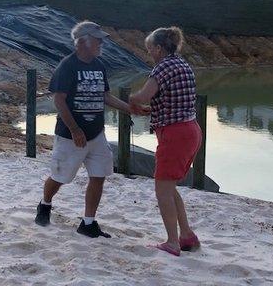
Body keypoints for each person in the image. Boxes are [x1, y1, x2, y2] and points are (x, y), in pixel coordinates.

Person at [35, 21, 148, 238]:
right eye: (97, 39)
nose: (101, 43)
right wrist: (75, 129)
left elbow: (105, 96)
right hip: (71, 135)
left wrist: (130, 109)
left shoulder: (99, 65)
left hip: (97, 133)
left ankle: (88, 223)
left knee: (99, 175)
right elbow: (59, 100)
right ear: (83, 41)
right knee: (60, 177)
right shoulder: (67, 66)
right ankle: (45, 204)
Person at [129, 26, 202, 256]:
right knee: (169, 187)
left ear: (159, 48)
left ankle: (172, 242)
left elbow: (142, 95)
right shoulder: (182, 64)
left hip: (175, 134)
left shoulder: (162, 68)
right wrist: (153, 109)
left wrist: (130, 100)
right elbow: (174, 101)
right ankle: (187, 235)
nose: (149, 52)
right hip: (190, 129)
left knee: (162, 191)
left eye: (150, 48)